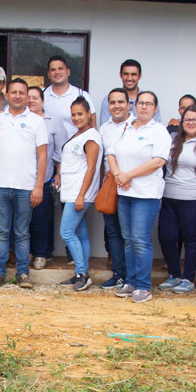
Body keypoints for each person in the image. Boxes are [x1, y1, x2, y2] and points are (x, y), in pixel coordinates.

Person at [107, 91, 170, 303]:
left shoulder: (159, 131)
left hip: (146, 194)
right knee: (128, 240)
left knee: (141, 240)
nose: (143, 107)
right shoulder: (126, 127)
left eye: (148, 104)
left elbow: (158, 161)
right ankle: (131, 281)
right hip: (124, 192)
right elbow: (111, 154)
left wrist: (128, 175)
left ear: (155, 108)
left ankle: (144, 286)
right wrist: (118, 175)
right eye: (141, 103)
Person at [0, 79, 48, 289]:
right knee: (2, 231)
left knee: (22, 232)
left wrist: (39, 185)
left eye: (22, 93)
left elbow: (43, 155)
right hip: (0, 184)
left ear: (26, 96)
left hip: (25, 186)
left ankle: (23, 273)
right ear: (7, 94)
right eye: (14, 92)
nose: (18, 96)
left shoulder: (37, 121)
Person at [158, 105, 196, 295]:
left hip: (195, 198)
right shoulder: (173, 141)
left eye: (195, 120)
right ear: (181, 122)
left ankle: (188, 278)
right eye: (187, 119)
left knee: (191, 239)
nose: (190, 123)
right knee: (166, 237)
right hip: (169, 196)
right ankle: (174, 274)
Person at [58, 97, 102, 291]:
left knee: (66, 231)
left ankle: (82, 273)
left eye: (80, 114)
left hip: (80, 193)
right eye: (73, 114)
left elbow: (91, 168)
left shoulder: (91, 137)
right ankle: (80, 272)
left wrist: (81, 195)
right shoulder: (78, 134)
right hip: (71, 191)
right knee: (80, 233)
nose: (76, 118)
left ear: (89, 115)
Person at [25, 85, 66, 270]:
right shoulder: (22, 119)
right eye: (29, 97)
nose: (31, 100)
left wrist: (58, 173)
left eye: (35, 97)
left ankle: (41, 253)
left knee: (41, 217)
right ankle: (28, 252)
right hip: (23, 178)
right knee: (24, 218)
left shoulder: (53, 121)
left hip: (45, 177)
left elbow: (60, 149)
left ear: (43, 101)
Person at [97, 88, 134, 287]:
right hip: (110, 186)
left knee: (130, 235)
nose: (117, 106)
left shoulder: (136, 126)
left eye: (121, 102)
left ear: (129, 105)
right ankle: (118, 273)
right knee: (113, 232)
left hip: (131, 186)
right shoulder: (104, 129)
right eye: (112, 102)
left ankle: (132, 276)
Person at [43, 55, 95, 136]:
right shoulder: (40, 95)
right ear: (48, 74)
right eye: (53, 70)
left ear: (68, 72)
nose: (57, 72)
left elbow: (92, 126)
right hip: (47, 147)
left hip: (75, 146)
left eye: (60, 68)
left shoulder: (81, 95)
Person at [98, 59, 160, 124]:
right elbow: (106, 127)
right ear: (120, 75)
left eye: (133, 74)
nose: (129, 78)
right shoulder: (109, 99)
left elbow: (156, 126)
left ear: (140, 76)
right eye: (126, 74)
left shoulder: (150, 99)